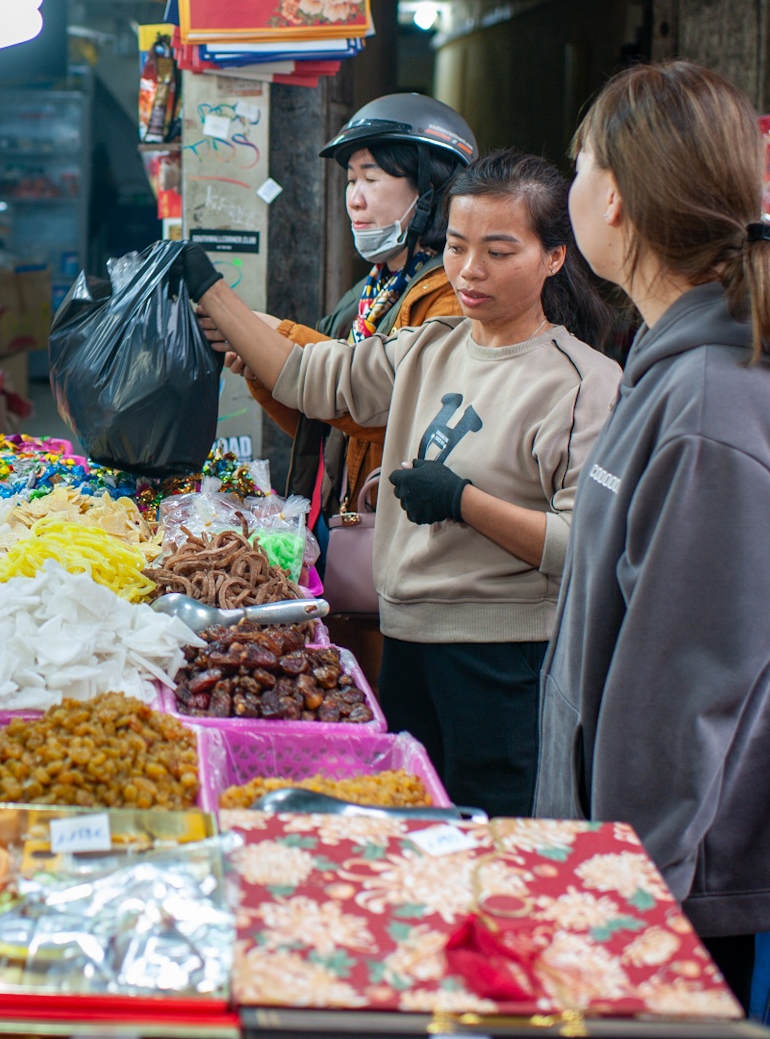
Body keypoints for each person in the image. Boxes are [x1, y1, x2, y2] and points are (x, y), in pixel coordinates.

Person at [536, 61, 770, 1004]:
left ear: (615, 196)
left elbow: (681, 694)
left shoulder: (710, 404)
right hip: (653, 864)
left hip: (670, 886)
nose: (571, 187)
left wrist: (622, 907)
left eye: (578, 164)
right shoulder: (683, 364)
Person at [183, 150, 621, 815]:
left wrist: (463, 502)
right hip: (408, 641)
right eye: (457, 246)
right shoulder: (430, 345)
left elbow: (584, 543)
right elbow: (309, 377)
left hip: (506, 658)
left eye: (499, 252)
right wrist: (210, 287)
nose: (470, 270)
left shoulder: (582, 382)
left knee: (487, 833)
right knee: (413, 824)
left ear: (554, 257)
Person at [239, 95, 475, 534]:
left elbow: (387, 413)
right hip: (344, 515)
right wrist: (261, 367)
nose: (354, 200)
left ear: (430, 189)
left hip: (403, 528)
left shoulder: (451, 294)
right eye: (350, 181)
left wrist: (279, 338)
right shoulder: (369, 292)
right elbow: (326, 420)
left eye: (371, 178)